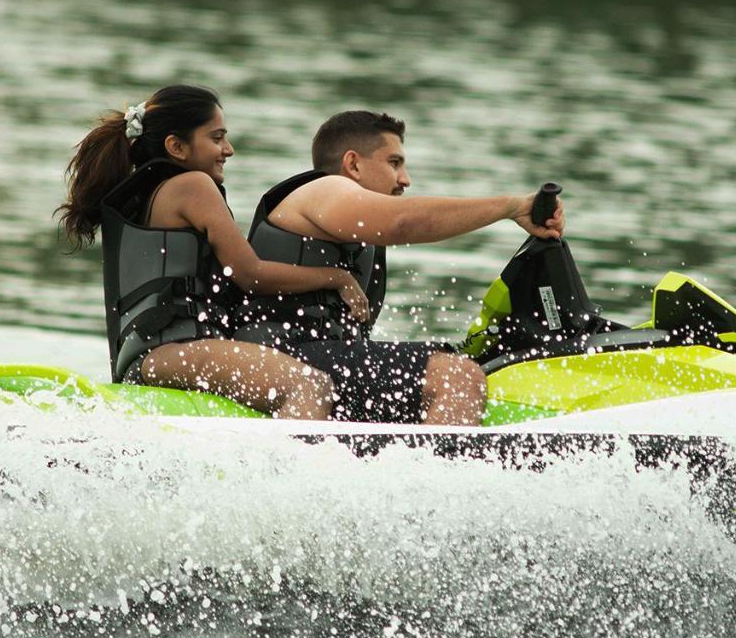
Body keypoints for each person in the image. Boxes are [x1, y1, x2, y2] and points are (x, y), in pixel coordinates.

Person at [55, 85, 369, 420]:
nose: (228, 150)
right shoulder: (193, 186)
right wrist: (338, 278)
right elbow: (250, 274)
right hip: (168, 355)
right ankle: (289, 471)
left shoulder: (148, 193)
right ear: (176, 146)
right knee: (309, 385)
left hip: (147, 358)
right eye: (216, 138)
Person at [236, 110, 564, 426]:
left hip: (321, 358)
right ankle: (432, 479)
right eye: (394, 163)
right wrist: (511, 207)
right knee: (456, 376)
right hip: (276, 358)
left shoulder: (356, 230)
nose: (405, 179)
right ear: (352, 164)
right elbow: (404, 221)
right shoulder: (322, 190)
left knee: (459, 360)